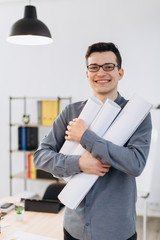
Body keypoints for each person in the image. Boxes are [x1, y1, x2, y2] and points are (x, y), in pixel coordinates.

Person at [33, 42, 152, 240]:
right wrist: (79, 163)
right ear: (87, 74)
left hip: (116, 231)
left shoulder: (136, 115)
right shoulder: (71, 112)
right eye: (94, 67)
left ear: (120, 72)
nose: (101, 73)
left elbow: (135, 164)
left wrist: (85, 137)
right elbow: (41, 156)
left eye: (108, 66)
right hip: (75, 228)